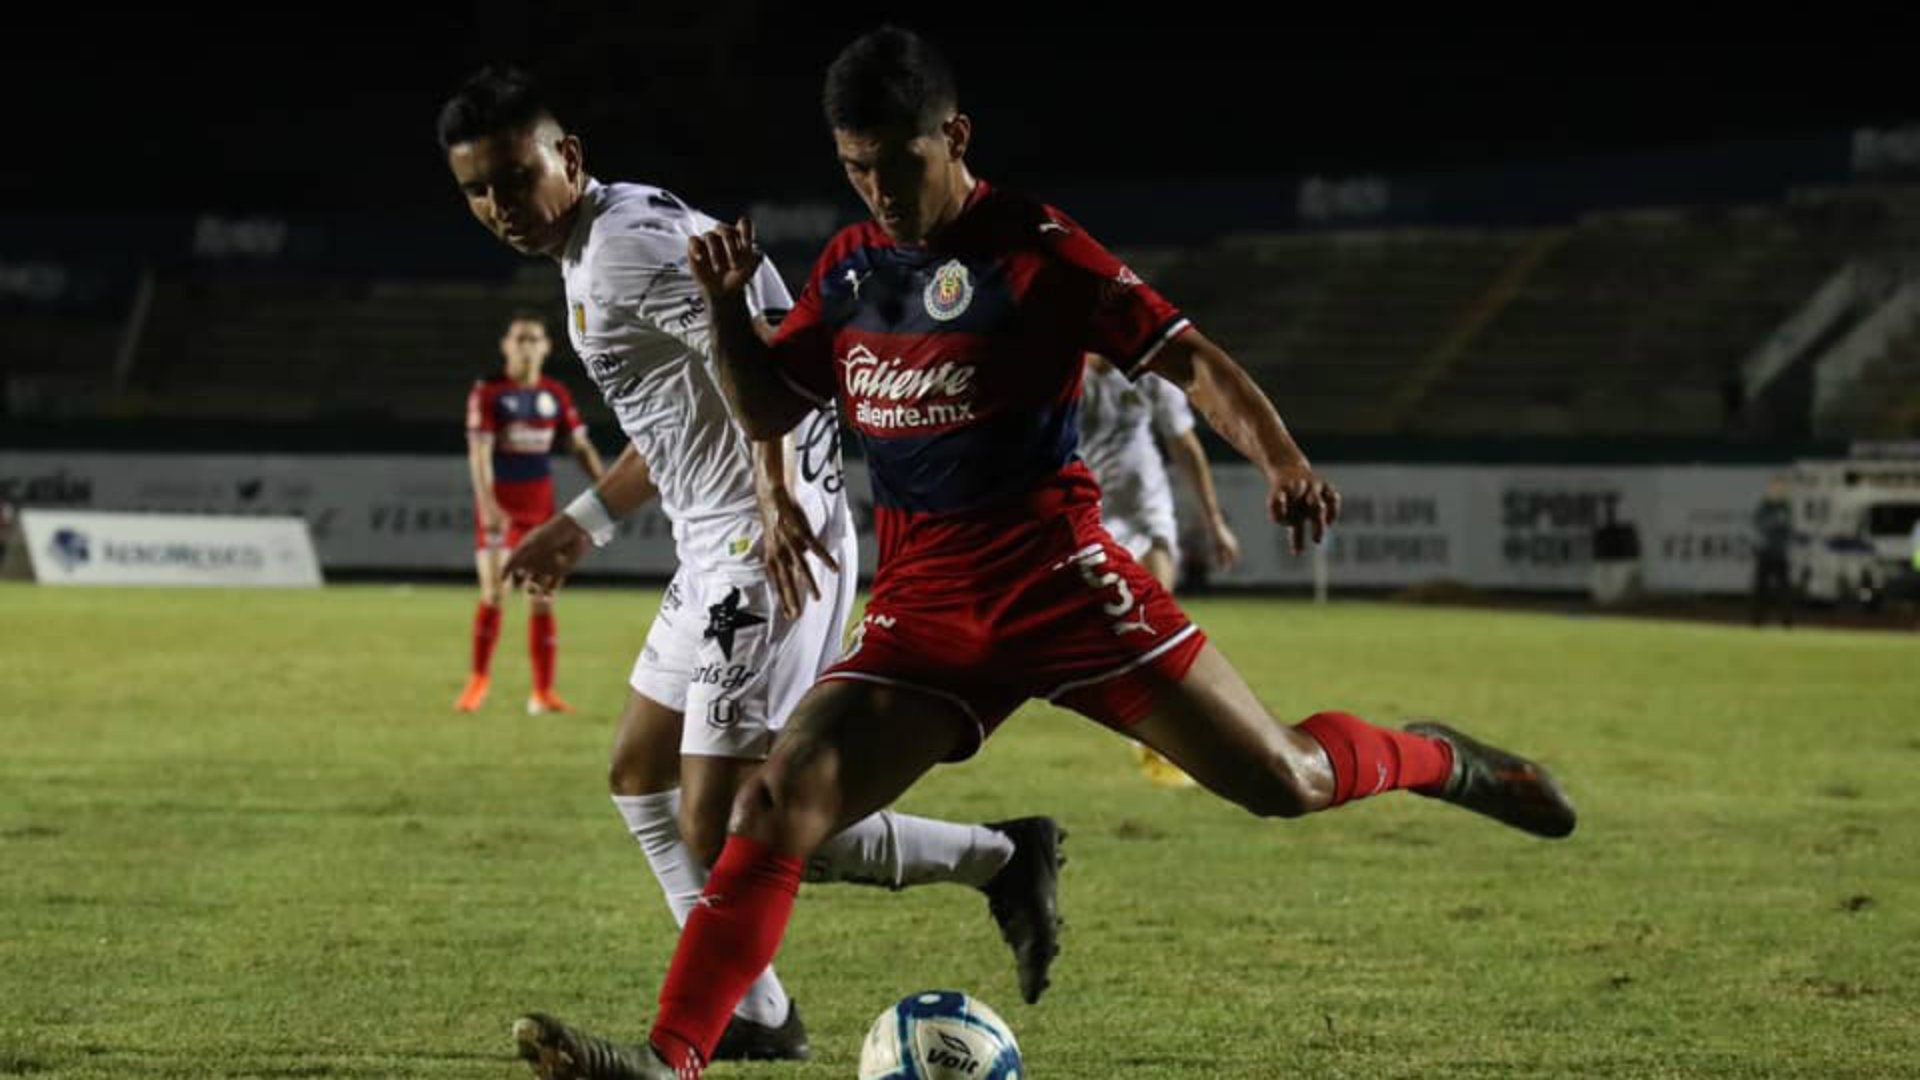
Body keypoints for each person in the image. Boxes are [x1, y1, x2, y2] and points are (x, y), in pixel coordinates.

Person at [507, 28, 1577, 1080]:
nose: (879, 191)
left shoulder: (1040, 249)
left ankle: (1440, 758)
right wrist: (724, 309)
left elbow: (1189, 359)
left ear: (955, 136)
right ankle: (675, 1059)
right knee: (772, 804)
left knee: (1286, 780)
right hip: (924, 612)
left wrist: (1282, 459)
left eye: (897, 163)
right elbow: (765, 406)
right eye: (855, 168)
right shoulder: (852, 269)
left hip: (1061, 587)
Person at [437, 66, 1063, 1064]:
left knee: (726, 818)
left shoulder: (624, 251)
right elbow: (680, 416)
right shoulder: (601, 240)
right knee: (639, 773)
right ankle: (762, 1008)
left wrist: (774, 501)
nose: (501, 206)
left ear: (570, 157)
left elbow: (765, 362)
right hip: (716, 544)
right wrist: (585, 522)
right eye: (478, 190)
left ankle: (992, 860)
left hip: (767, 545)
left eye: (517, 178)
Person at [1079, 354, 1239, 787]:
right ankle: (1143, 721)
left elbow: (1185, 445)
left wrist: (1214, 523)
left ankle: (1164, 741)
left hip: (1147, 509)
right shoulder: (1067, 374)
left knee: (1154, 621)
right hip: (1090, 514)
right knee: (1111, 631)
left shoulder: (1149, 375)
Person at [457, 312, 606, 714]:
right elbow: (479, 454)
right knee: (495, 591)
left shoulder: (554, 394)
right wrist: (489, 505)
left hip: (540, 510)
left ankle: (542, 693)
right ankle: (478, 682)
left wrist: (605, 485)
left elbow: (579, 446)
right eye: (520, 339)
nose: (526, 346)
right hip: (500, 510)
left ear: (546, 347)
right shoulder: (489, 392)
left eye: (534, 339)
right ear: (506, 346)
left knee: (542, 596)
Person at [1750, 477, 1796, 627]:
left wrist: (1780, 523)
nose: (1778, 491)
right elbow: (1760, 525)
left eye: (1781, 489)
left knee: (1784, 589)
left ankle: (1786, 621)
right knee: (1761, 588)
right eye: (1775, 488)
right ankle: (1757, 620)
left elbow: (1789, 527)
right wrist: (1775, 522)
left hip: (1780, 553)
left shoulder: (1786, 507)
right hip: (1765, 552)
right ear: (1770, 490)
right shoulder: (1764, 507)